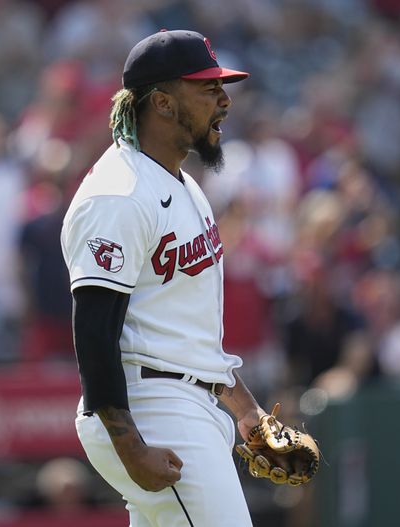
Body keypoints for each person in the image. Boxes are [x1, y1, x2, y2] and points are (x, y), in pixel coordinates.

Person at [60, 30, 266, 526]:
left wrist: (246, 410)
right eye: (207, 89)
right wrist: (130, 445)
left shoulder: (183, 184)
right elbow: (93, 331)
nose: (224, 101)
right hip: (151, 408)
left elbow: (180, 328)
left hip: (187, 401)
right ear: (163, 103)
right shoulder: (119, 194)